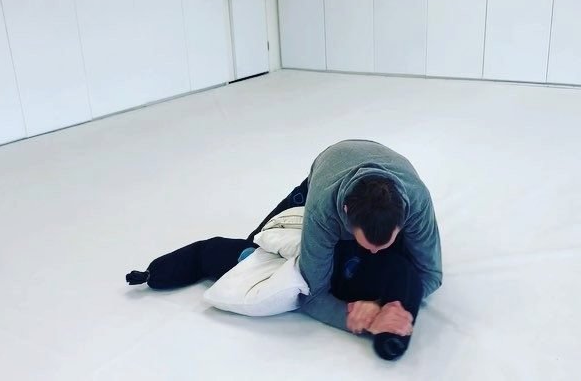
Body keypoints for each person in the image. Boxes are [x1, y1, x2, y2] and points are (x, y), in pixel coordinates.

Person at [126, 139, 442, 360]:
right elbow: (311, 294)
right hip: (329, 167)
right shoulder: (322, 211)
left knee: (397, 267)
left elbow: (431, 275)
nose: (374, 252)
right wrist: (355, 318)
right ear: (346, 216)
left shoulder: (415, 202)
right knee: (258, 245)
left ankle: (381, 250)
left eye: (384, 243)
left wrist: (392, 309)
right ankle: (162, 270)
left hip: (385, 168)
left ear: (404, 219)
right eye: (366, 244)